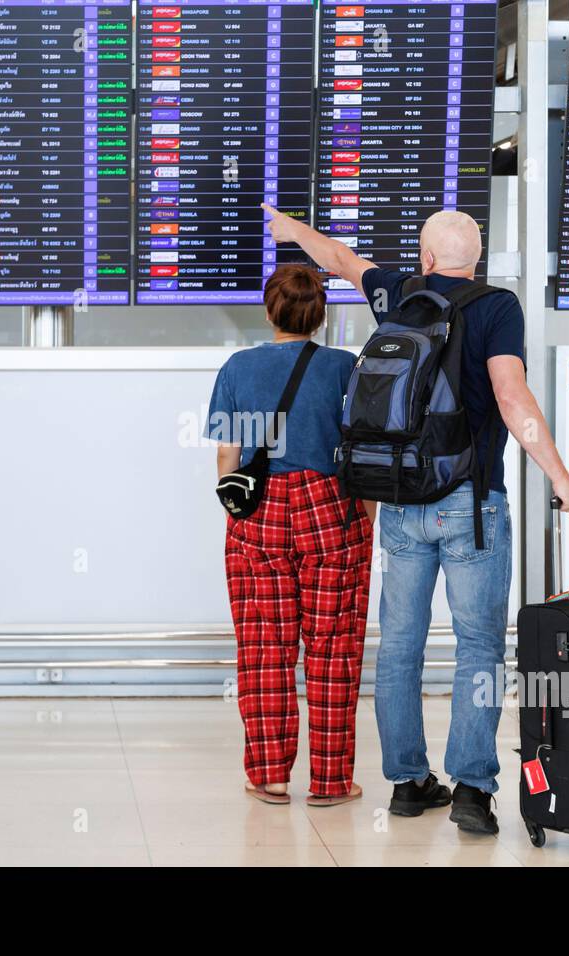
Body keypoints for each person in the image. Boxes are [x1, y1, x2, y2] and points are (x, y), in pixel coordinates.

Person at [261, 204, 569, 834]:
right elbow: (510, 396)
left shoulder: (400, 294)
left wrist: (292, 231)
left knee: (401, 647)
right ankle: (470, 789)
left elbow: (339, 258)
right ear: (477, 259)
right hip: (472, 505)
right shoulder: (497, 307)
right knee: (479, 647)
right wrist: (560, 478)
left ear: (428, 260)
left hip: (401, 506)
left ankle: (409, 784)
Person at [206, 264, 374, 808]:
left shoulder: (238, 367)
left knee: (263, 648)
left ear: (269, 310)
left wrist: (238, 512)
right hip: (332, 509)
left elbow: (228, 455)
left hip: (260, 514)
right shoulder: (345, 367)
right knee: (334, 648)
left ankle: (271, 775)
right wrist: (363, 516)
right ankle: (329, 781)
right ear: (321, 315)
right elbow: (362, 451)